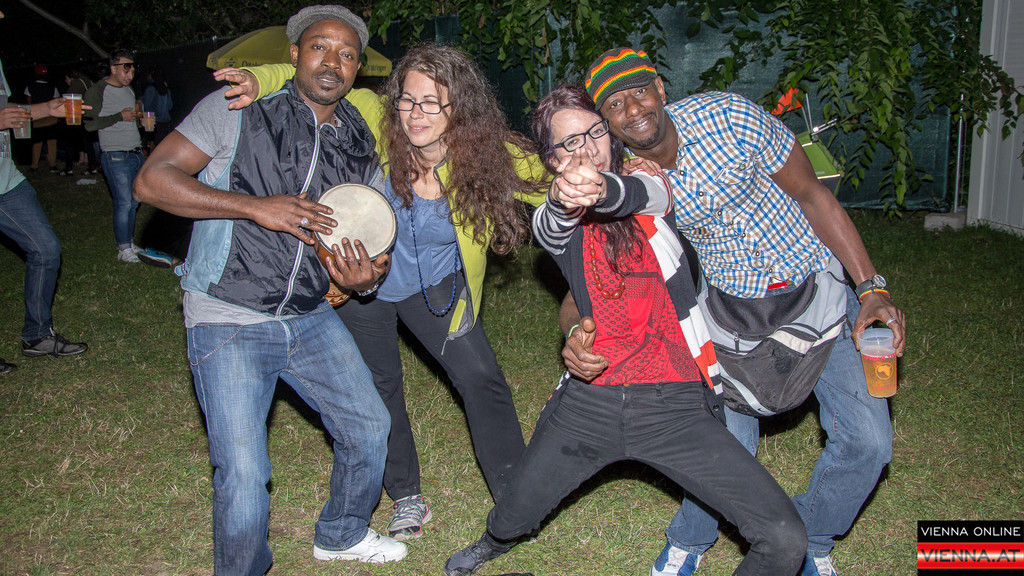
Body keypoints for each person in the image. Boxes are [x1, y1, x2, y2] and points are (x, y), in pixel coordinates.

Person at [566, 48, 906, 576]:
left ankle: (813, 538)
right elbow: (595, 273)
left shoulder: (730, 118)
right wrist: (577, 329)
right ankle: (690, 541)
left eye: (639, 92)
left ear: (659, 88)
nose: (632, 109)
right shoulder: (628, 182)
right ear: (604, 122)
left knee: (869, 443)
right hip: (734, 318)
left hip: (818, 295)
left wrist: (870, 288)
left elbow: (814, 196)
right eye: (614, 105)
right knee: (724, 448)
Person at [444, 85, 806, 576]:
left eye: (594, 132)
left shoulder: (651, 185)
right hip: (589, 403)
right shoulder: (560, 219)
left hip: (674, 404)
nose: (585, 148)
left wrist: (600, 188)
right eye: (567, 143)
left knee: (785, 539)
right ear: (551, 160)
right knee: (513, 512)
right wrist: (563, 199)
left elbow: (642, 196)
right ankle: (496, 539)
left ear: (611, 136)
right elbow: (551, 228)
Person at [225, 43, 550, 542]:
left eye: (432, 102)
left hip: (436, 287)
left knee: (481, 379)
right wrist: (257, 77)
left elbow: (563, 177)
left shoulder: (490, 154)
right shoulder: (377, 118)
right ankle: (406, 495)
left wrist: (626, 169)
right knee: (381, 388)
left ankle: (516, 497)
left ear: (461, 106)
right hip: (363, 286)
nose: (416, 114)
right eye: (408, 100)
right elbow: (318, 77)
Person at [133, 5, 407, 573]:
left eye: (346, 54)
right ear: (294, 54)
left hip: (308, 314)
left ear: (357, 68)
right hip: (227, 311)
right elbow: (153, 181)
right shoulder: (237, 107)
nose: (331, 62)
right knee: (244, 472)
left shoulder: (361, 138)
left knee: (369, 427)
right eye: (319, 47)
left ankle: (341, 534)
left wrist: (363, 279)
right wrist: (256, 208)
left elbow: (367, 237)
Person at [0, 8, 88, 371]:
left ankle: (37, 335)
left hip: (7, 181)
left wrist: (46, 108)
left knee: (46, 249)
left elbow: (9, 112)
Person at [84, 49, 144, 263]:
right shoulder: (98, 90)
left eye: (133, 70)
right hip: (115, 155)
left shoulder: (129, 90)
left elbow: (130, 119)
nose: (130, 74)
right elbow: (89, 124)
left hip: (135, 152)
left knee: (135, 201)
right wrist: (119, 116)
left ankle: (129, 242)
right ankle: (123, 249)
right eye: (126, 69)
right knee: (123, 203)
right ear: (113, 68)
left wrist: (140, 121)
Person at [59, 67, 97, 177]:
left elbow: (68, 100)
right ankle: (92, 167)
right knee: (87, 142)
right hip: (88, 117)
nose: (66, 81)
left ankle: (68, 169)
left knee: (70, 142)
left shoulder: (77, 82)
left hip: (77, 117)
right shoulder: (90, 81)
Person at [23, 64, 60, 173]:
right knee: (52, 142)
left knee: (37, 142)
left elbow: (28, 104)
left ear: (35, 74)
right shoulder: (53, 87)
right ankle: (52, 165)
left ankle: (34, 166)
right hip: (51, 118)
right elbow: (56, 103)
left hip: (37, 117)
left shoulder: (29, 87)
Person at [140, 67, 172, 147]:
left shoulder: (150, 89)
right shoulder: (166, 90)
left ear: (151, 75)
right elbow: (170, 106)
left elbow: (146, 107)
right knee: (163, 146)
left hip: (152, 122)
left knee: (152, 146)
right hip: (165, 124)